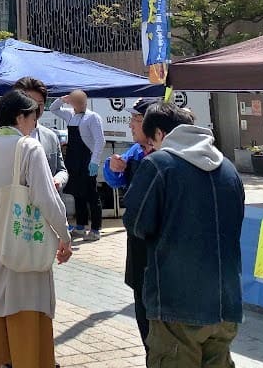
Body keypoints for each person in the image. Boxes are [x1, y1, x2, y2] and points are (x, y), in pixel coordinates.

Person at [124, 102, 244, 368]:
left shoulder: (159, 164)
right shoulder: (228, 168)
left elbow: (136, 223)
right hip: (226, 301)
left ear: (158, 133)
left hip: (176, 302)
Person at [0, 89, 72, 368]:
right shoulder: (28, 147)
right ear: (20, 117)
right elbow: (46, 198)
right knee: (25, 305)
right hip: (21, 239)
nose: (36, 121)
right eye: (33, 115)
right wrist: (64, 235)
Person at [104, 97, 156, 350]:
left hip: (161, 249)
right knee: (143, 313)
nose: (131, 125)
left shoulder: (168, 156)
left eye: (135, 120)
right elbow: (115, 181)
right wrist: (114, 168)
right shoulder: (135, 152)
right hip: (137, 246)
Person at [52, 90, 106, 240]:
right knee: (77, 194)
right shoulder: (70, 114)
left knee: (92, 195)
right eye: (77, 102)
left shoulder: (92, 117)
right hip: (73, 160)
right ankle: (80, 227)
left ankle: (95, 229)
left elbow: (100, 141)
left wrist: (95, 161)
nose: (81, 105)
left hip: (87, 160)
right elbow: (53, 109)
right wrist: (63, 99)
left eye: (83, 102)